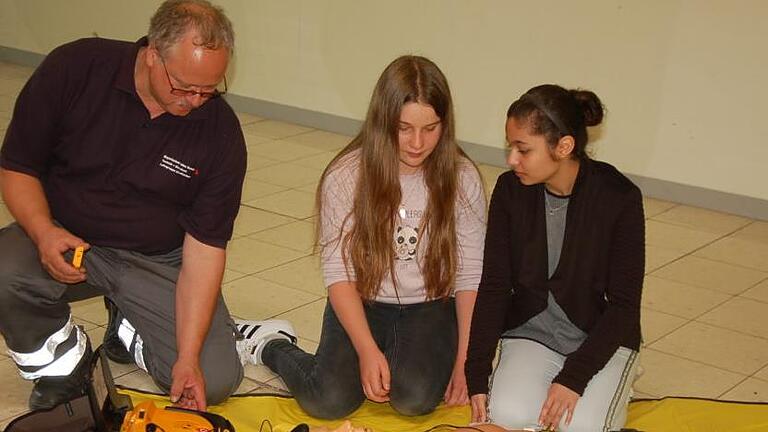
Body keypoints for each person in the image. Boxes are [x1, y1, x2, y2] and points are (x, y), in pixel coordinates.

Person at [0, 0, 247, 411]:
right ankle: (63, 365)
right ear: (152, 55)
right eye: (184, 86)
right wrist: (43, 232)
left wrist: (187, 358)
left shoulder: (220, 133)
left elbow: (204, 252)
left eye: (210, 89)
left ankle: (128, 326)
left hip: (159, 259)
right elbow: (17, 167)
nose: (196, 100)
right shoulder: (74, 69)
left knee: (216, 379)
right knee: (3, 270)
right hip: (68, 237)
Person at [235, 55, 486, 419]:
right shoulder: (346, 175)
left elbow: (470, 275)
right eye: (404, 128)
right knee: (328, 400)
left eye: (431, 129)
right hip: (362, 300)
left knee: (413, 399)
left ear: (445, 126)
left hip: (430, 305)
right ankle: (270, 344)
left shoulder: (463, 179)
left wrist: (467, 361)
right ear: (382, 122)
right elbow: (338, 272)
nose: (417, 143)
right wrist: (367, 350)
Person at [464, 85, 644, 432]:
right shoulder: (509, 191)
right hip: (534, 332)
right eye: (510, 146)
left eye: (523, 149)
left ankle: (621, 381)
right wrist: (477, 373)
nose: (511, 160)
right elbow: (495, 287)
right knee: (508, 417)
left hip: (599, 337)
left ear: (563, 147)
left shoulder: (619, 198)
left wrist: (573, 378)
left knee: (579, 428)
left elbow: (624, 307)